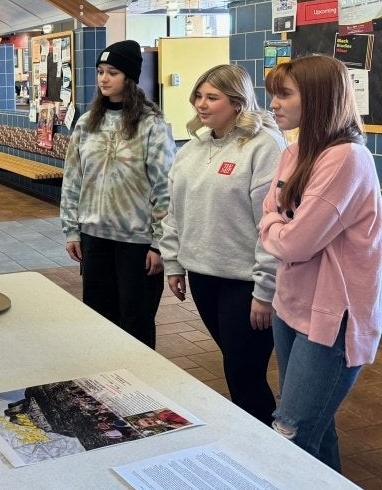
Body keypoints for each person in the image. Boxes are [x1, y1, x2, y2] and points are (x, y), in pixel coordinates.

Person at [261, 54, 382, 471]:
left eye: (284, 94)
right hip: (291, 303)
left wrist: (278, 228)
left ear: (318, 98)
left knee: (290, 435)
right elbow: (271, 216)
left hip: (333, 316)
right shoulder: (294, 151)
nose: (273, 104)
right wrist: (280, 229)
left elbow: (294, 242)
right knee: (316, 425)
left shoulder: (347, 158)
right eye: (273, 94)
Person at [159, 64, 285, 425]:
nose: (201, 104)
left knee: (244, 374)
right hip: (203, 275)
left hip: (245, 281)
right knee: (235, 365)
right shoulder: (192, 149)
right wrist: (173, 263)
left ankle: (268, 446)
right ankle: (258, 436)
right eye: (198, 95)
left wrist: (265, 289)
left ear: (238, 101)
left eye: (212, 97)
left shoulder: (265, 146)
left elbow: (271, 223)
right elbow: (174, 211)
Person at [60, 40, 175, 348]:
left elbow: (165, 187)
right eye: (100, 71)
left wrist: (160, 243)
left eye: (113, 72)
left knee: (135, 320)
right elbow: (73, 179)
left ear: (130, 77)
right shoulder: (87, 123)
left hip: (136, 242)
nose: (104, 78)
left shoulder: (151, 125)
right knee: (98, 318)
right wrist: (72, 229)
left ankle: (139, 388)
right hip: (94, 237)